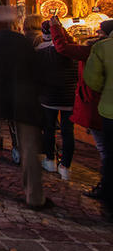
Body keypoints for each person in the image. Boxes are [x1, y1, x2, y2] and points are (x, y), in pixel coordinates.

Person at [0, 6, 50, 210]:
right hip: (25, 98)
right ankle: (34, 195)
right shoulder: (23, 42)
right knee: (29, 147)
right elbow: (38, 70)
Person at [50, 17, 111, 196]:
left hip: (98, 104)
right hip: (100, 104)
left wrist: (55, 29)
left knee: (104, 147)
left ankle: (106, 186)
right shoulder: (95, 49)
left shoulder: (96, 50)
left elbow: (65, 49)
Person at [36, 20, 78, 180]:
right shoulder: (73, 50)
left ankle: (50, 159)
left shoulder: (42, 52)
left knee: (49, 128)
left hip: (49, 96)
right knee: (68, 131)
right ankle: (66, 166)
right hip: (69, 96)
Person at [83, 20, 113, 219]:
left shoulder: (102, 48)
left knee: (110, 155)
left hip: (110, 109)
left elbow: (92, 80)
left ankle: (109, 196)